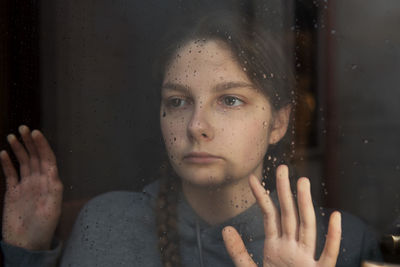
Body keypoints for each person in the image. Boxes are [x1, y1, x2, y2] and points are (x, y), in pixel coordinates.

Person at [0, 11, 383, 267]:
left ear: (279, 122)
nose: (196, 126)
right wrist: (25, 253)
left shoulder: (340, 241)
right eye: (178, 101)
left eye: (230, 100)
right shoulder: (107, 225)